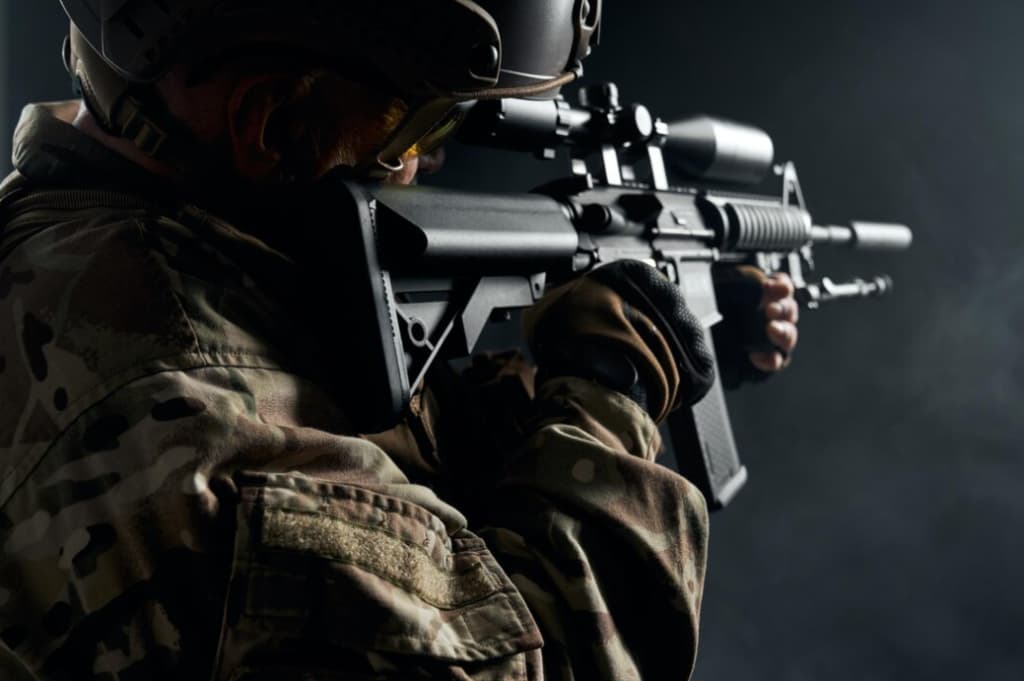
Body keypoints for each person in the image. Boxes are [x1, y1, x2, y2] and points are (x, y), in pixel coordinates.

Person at [0, 2, 800, 679]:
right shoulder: (178, 415)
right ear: (271, 127)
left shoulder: (146, 246)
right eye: (420, 126)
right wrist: (613, 390)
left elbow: (377, 460)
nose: (424, 162)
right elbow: (533, 655)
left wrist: (666, 342)